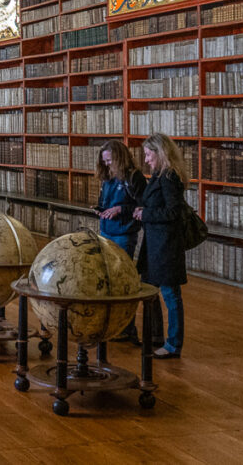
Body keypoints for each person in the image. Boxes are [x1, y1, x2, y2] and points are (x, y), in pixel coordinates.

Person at [133, 133, 189, 359]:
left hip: (166, 246)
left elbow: (174, 212)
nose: (146, 160)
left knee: (170, 295)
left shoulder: (169, 178)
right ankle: (154, 336)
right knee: (150, 291)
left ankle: (174, 344)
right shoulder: (158, 176)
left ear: (161, 153)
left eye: (148, 154)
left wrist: (146, 213)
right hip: (155, 244)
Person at [94, 140, 150, 344]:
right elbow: (106, 202)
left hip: (124, 234)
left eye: (110, 160)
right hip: (106, 231)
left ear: (119, 158)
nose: (107, 165)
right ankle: (110, 324)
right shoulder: (108, 176)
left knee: (123, 281)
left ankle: (127, 327)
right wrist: (100, 209)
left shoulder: (134, 177)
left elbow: (142, 207)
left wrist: (121, 210)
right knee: (107, 280)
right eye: (104, 161)